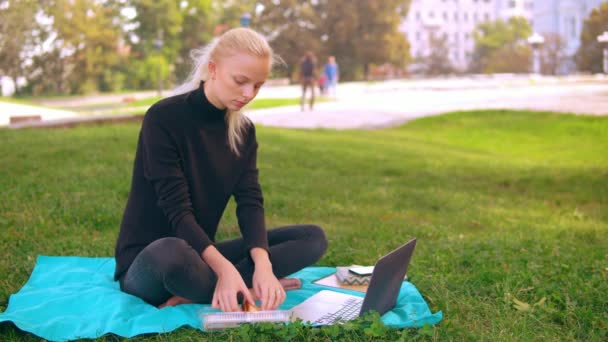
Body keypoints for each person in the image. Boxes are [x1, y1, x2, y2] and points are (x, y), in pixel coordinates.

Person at [113, 27, 328, 312]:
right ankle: (237, 287)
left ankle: (218, 287)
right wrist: (226, 269)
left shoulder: (243, 132)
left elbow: (250, 202)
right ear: (213, 69)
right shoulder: (163, 118)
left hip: (201, 257)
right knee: (171, 251)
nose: (248, 94)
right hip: (151, 261)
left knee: (312, 238)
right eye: (240, 81)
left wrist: (263, 265)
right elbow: (177, 211)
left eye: (258, 85)